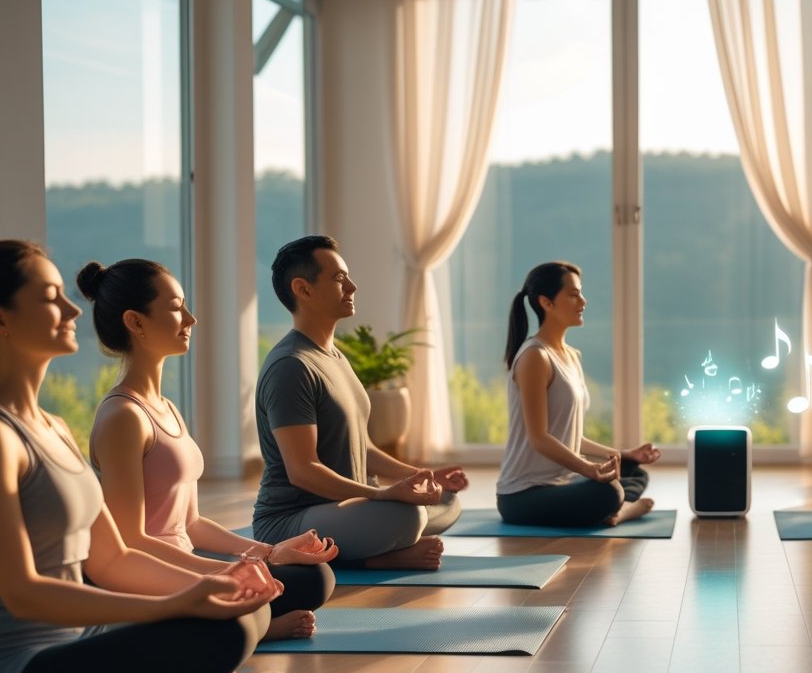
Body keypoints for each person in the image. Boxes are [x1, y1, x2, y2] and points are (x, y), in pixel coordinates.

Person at [0, 239, 299, 673]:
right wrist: (172, 605)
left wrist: (214, 585)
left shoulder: (56, 428)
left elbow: (112, 559)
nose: (73, 309)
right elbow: (23, 594)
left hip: (85, 640)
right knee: (222, 632)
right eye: (51, 297)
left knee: (239, 612)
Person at [79, 258, 338, 642]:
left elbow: (191, 524)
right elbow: (131, 540)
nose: (191, 318)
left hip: (188, 565)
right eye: (175, 308)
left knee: (314, 576)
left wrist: (269, 552)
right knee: (289, 586)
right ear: (135, 322)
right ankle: (248, 628)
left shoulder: (166, 408)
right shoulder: (123, 417)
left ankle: (243, 624)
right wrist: (224, 574)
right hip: (151, 579)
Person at [253, 235, 468, 570]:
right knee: (407, 517)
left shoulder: (335, 357)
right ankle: (372, 557)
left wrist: (423, 476)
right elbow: (303, 471)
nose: (352, 287)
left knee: (447, 501)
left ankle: (378, 547)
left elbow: (361, 447)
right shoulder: (291, 366)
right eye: (339, 278)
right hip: (292, 520)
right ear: (303, 289)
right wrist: (384, 495)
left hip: (346, 509)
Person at [497, 261, 659, 527]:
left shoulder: (572, 356)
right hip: (523, 495)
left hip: (564, 481)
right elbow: (539, 439)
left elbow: (569, 437)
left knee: (633, 472)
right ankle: (622, 509)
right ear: (546, 303)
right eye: (573, 295)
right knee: (609, 492)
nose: (583, 301)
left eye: (580, 293)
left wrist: (622, 454)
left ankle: (617, 509)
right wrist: (588, 469)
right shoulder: (535, 357)